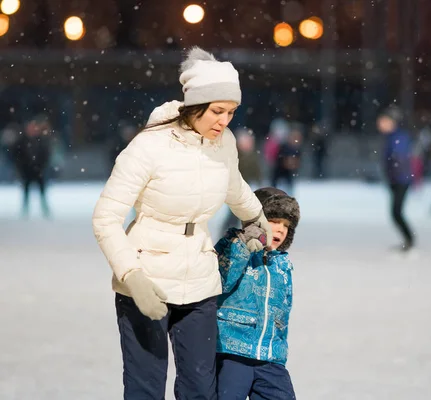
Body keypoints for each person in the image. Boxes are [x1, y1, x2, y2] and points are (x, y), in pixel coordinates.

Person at [91, 47, 273, 400]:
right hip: (148, 278)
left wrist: (254, 217)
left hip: (201, 279)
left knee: (200, 389)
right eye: (217, 111)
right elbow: (106, 217)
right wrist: (132, 276)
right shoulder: (149, 146)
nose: (224, 120)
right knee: (146, 387)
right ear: (194, 105)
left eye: (231, 112)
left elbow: (233, 184)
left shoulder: (224, 144)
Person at [214, 187, 300, 400]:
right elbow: (219, 282)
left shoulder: (281, 264)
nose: (280, 230)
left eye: (286, 225)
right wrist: (243, 246)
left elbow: (282, 313)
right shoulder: (232, 244)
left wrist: (279, 347)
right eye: (274, 221)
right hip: (233, 351)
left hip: (270, 357)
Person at [378, 106, 415, 252]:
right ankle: (409, 240)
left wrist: (396, 176)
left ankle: (410, 240)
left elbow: (399, 159)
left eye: (383, 121)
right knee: (396, 212)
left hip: (401, 180)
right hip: (397, 180)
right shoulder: (393, 137)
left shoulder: (398, 137)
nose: (380, 123)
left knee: (396, 212)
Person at [220, 127, 263, 236]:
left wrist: (259, 182)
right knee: (234, 212)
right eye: (245, 142)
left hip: (246, 187)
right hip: (235, 188)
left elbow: (256, 170)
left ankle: (237, 233)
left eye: (249, 142)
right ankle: (227, 232)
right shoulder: (235, 154)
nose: (248, 145)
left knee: (243, 212)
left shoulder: (252, 155)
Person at [12, 114, 52, 218]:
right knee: (26, 191)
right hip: (27, 171)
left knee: (42, 191)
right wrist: (22, 166)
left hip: (38, 170)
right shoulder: (21, 141)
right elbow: (16, 155)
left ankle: (45, 210)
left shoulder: (41, 141)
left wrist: (41, 165)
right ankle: (25, 211)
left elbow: (46, 154)